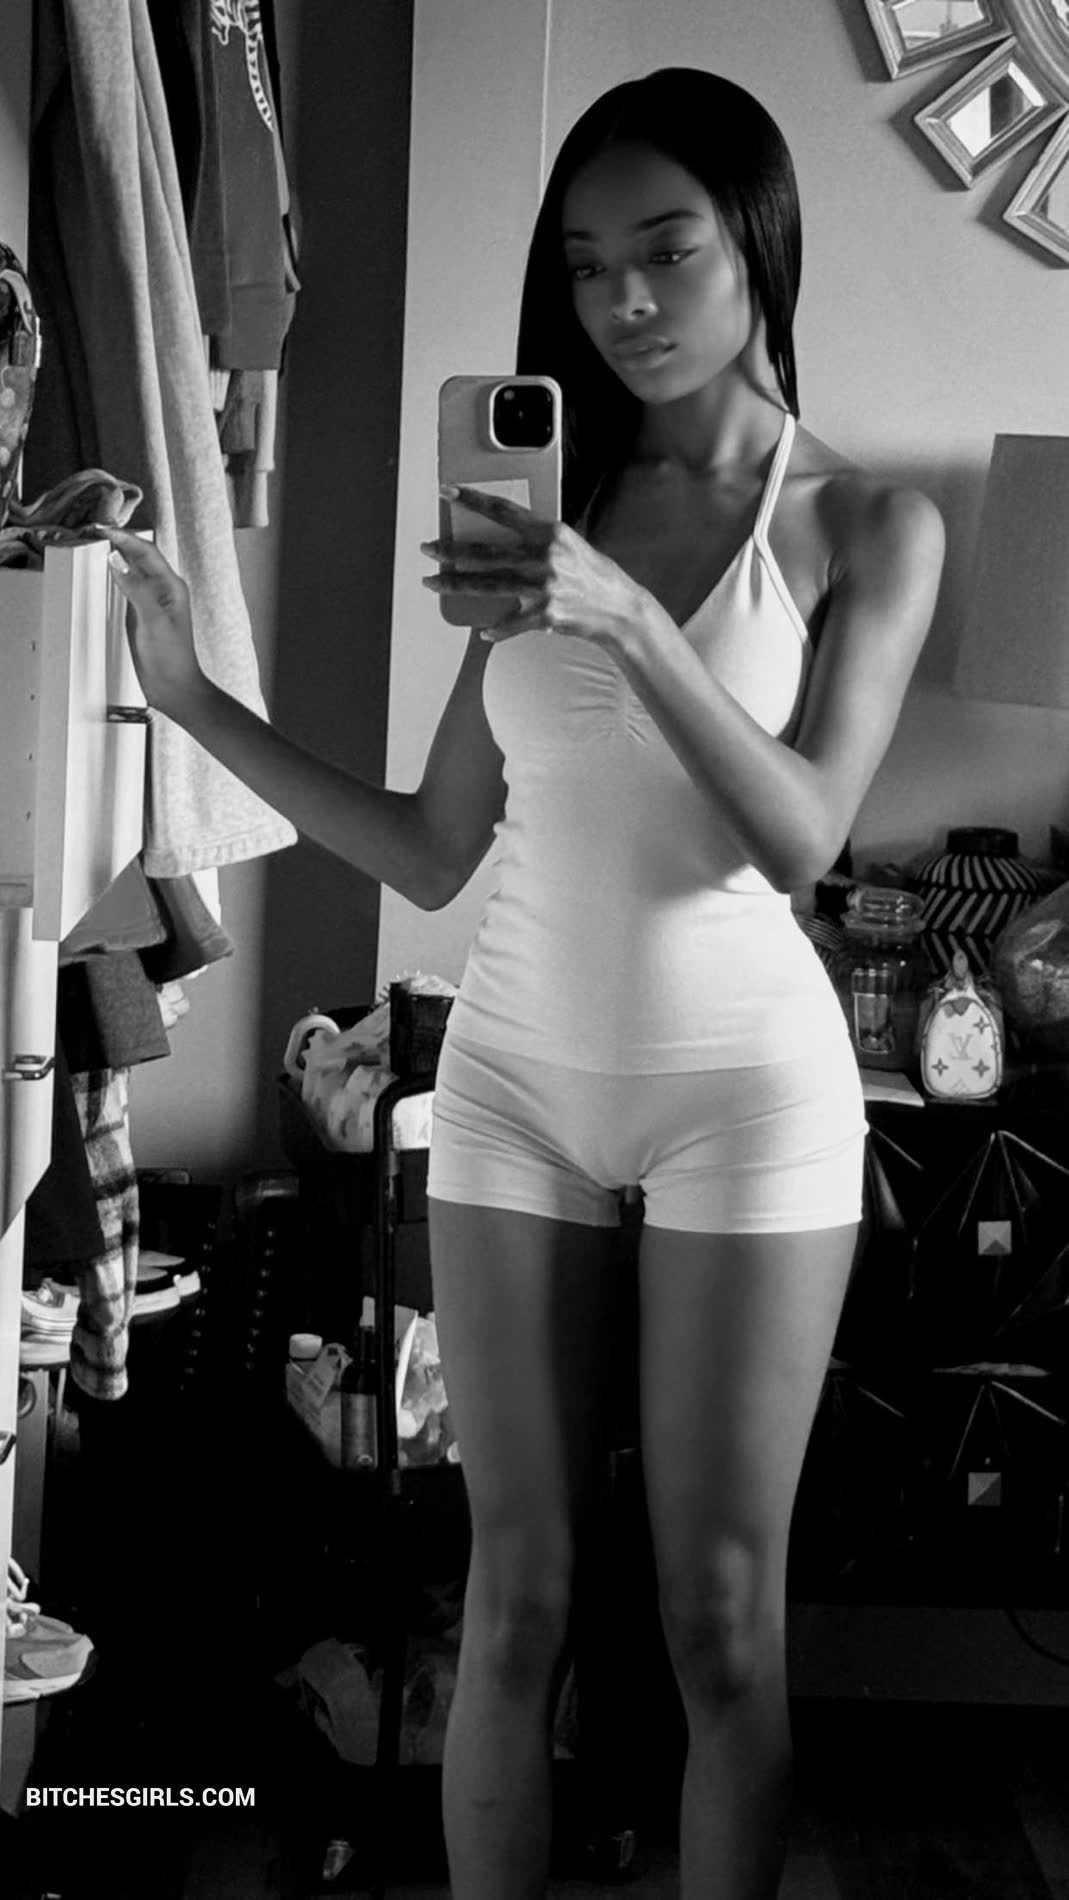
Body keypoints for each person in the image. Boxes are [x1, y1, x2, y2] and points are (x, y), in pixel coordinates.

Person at [99, 66, 945, 1900]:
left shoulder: (865, 526)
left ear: (759, 246)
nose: (622, 300)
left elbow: (799, 837)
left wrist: (621, 613)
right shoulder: (537, 517)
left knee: (719, 1615)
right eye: (583, 263)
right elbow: (428, 851)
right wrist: (191, 702)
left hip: (747, 1097)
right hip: (509, 1081)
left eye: (667, 251)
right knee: (512, 1598)